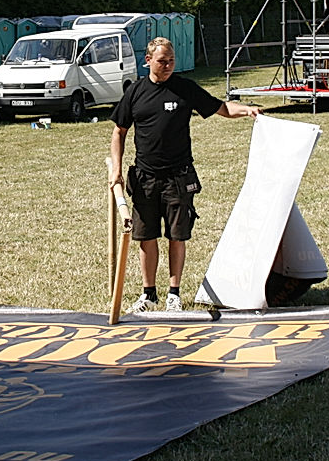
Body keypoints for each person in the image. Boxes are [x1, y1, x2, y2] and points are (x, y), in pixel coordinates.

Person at [109, 37, 260, 313]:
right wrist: (117, 171)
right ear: (148, 61)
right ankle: (148, 295)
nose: (167, 66)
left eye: (171, 61)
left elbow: (220, 108)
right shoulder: (135, 92)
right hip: (145, 178)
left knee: (177, 235)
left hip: (179, 177)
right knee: (146, 236)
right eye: (161, 61)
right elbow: (119, 132)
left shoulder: (184, 89)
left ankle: (173, 294)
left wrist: (246, 110)